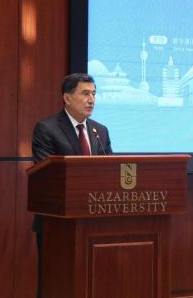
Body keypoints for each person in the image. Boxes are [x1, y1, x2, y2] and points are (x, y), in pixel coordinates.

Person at [31, 73, 112, 297]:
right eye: (85, 94)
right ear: (67, 98)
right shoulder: (47, 129)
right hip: (58, 223)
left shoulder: (100, 131)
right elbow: (48, 176)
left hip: (96, 221)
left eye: (94, 94)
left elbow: (111, 172)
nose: (91, 99)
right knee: (56, 284)